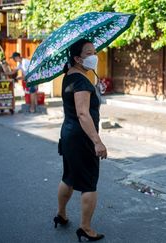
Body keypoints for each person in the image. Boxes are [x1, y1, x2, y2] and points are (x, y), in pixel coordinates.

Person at [55, 39, 107, 242]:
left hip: (68, 134)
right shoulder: (81, 81)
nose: (94, 56)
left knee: (68, 177)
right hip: (82, 138)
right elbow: (83, 114)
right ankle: (85, 227)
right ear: (77, 58)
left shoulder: (70, 75)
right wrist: (97, 142)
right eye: (89, 53)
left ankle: (61, 214)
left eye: (95, 51)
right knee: (89, 184)